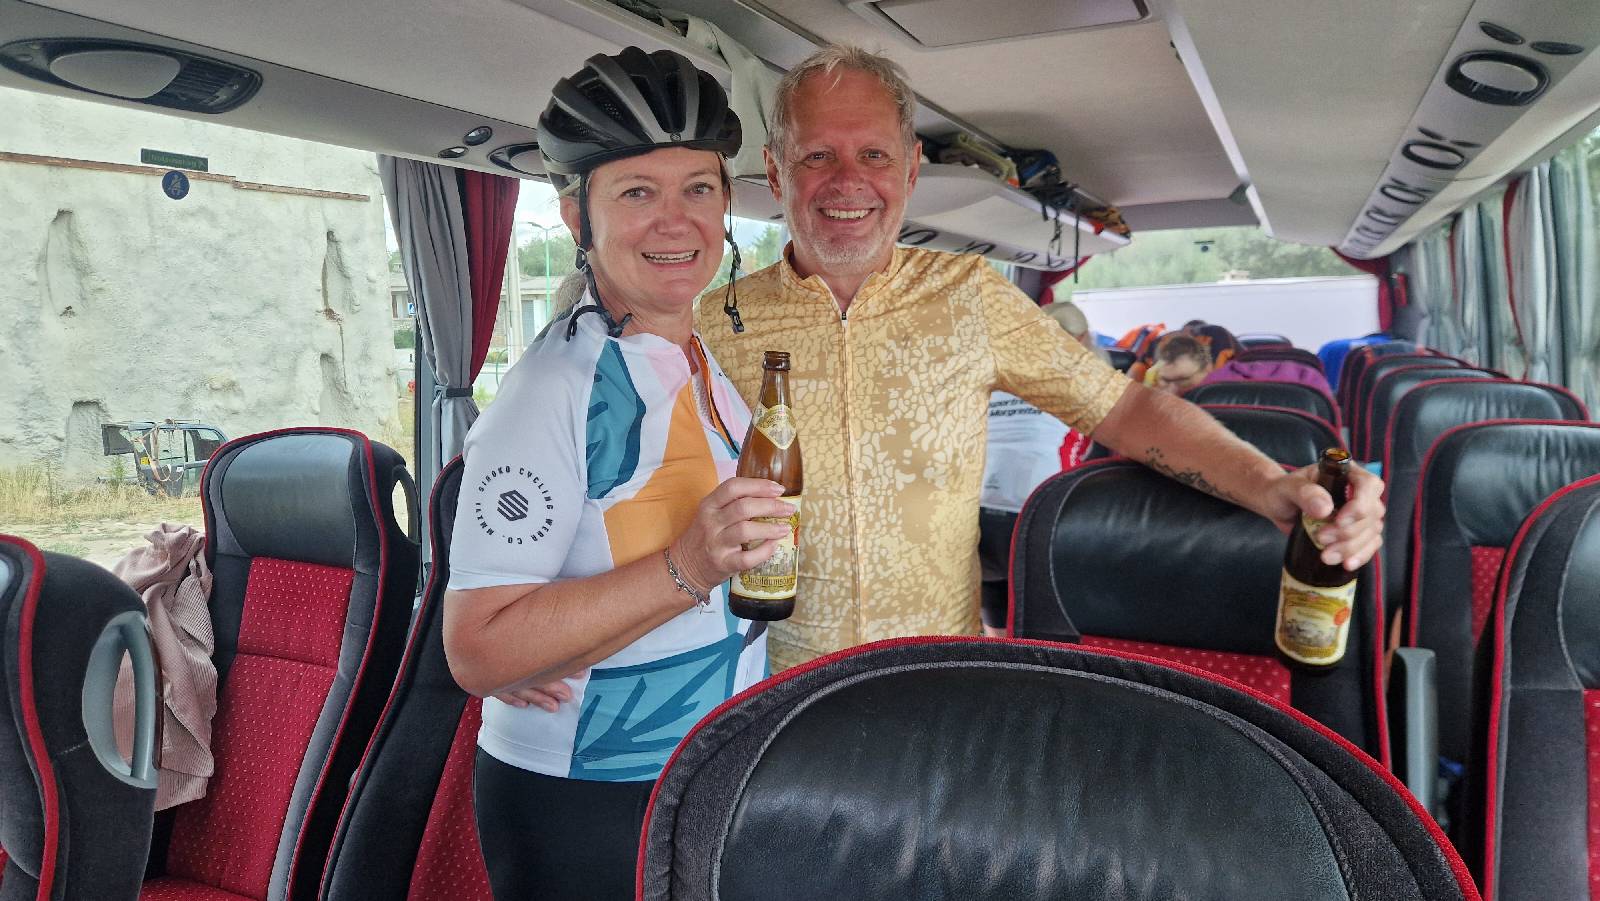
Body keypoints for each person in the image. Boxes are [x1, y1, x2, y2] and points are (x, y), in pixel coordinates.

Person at [697, 44, 1385, 671]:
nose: (848, 180)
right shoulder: (710, 323)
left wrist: (1271, 485)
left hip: (939, 676)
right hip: (766, 679)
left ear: (910, 168)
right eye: (817, 155)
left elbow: (1125, 409)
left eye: (874, 155)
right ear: (775, 172)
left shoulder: (971, 295)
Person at [441, 48, 788, 901]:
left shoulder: (693, 353)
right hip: (589, 791)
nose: (675, 221)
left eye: (698, 189)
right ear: (577, 216)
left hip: (700, 760)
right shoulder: (555, 386)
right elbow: (477, 648)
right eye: (637, 193)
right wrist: (690, 564)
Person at [977, 301, 1099, 634]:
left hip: (977, 511)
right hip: (1042, 512)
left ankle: (997, 651)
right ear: (1082, 338)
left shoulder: (996, 377)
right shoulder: (1084, 380)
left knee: (997, 616)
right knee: (1049, 629)